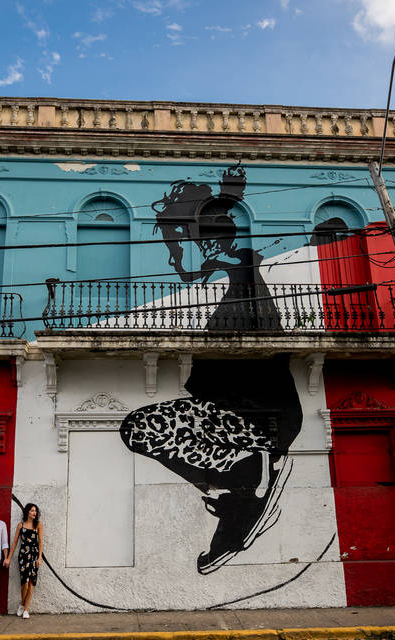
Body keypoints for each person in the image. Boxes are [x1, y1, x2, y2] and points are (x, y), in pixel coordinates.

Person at [120, 163, 302, 575]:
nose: (178, 253)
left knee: (142, 427)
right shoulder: (219, 275)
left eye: (180, 238)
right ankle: (240, 488)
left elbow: (240, 260)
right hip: (231, 421)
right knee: (140, 428)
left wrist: (228, 208)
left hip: (257, 414)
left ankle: (245, 470)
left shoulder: (238, 268)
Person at [6, 503, 42, 619]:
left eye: (35, 511)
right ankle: (22, 603)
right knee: (24, 582)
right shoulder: (20, 525)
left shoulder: (38, 525)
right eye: (32, 510)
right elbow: (15, 542)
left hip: (34, 556)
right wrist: (8, 558)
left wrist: (40, 557)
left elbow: (41, 542)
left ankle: (26, 609)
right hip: (23, 556)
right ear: (27, 512)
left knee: (31, 582)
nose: (34, 513)